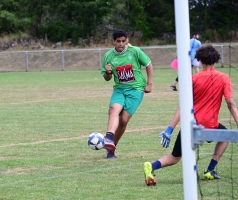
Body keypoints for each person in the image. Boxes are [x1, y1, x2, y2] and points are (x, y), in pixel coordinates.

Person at [143, 44, 238, 185]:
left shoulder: (192, 79)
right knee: (225, 137)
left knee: (175, 157)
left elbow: (183, 106)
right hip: (211, 125)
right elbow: (230, 104)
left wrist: (170, 129)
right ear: (216, 59)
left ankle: (152, 166)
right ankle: (210, 170)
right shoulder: (224, 77)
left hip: (190, 126)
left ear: (199, 60)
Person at [101, 29, 153, 159]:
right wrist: (108, 72)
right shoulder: (108, 56)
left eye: (123, 41)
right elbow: (107, 78)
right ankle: (109, 138)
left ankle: (112, 146)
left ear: (127, 41)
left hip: (136, 89)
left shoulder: (135, 51)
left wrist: (150, 84)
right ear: (113, 42)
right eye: (118, 41)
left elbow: (148, 64)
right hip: (119, 88)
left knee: (123, 120)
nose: (121, 43)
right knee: (113, 109)